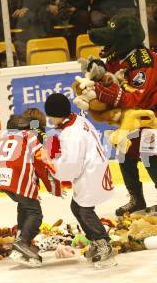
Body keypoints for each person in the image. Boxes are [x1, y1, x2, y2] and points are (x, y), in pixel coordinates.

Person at [89, 14, 157, 215]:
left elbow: (135, 98)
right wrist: (99, 76)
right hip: (130, 118)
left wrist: (103, 92)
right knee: (124, 154)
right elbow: (112, 81)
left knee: (149, 156)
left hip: (151, 115)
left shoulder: (143, 61)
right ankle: (136, 199)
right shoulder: (115, 57)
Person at [43, 93, 117, 269]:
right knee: (77, 207)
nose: (49, 119)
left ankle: (103, 243)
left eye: (50, 116)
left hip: (90, 173)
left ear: (56, 115)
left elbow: (71, 165)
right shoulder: (78, 121)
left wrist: (53, 167)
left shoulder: (70, 133)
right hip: (94, 169)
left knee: (84, 210)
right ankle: (96, 241)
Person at [0, 112, 62, 267]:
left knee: (24, 205)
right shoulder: (30, 135)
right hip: (17, 174)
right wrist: (55, 187)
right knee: (35, 213)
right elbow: (42, 162)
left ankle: (21, 239)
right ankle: (22, 243)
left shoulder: (3, 136)